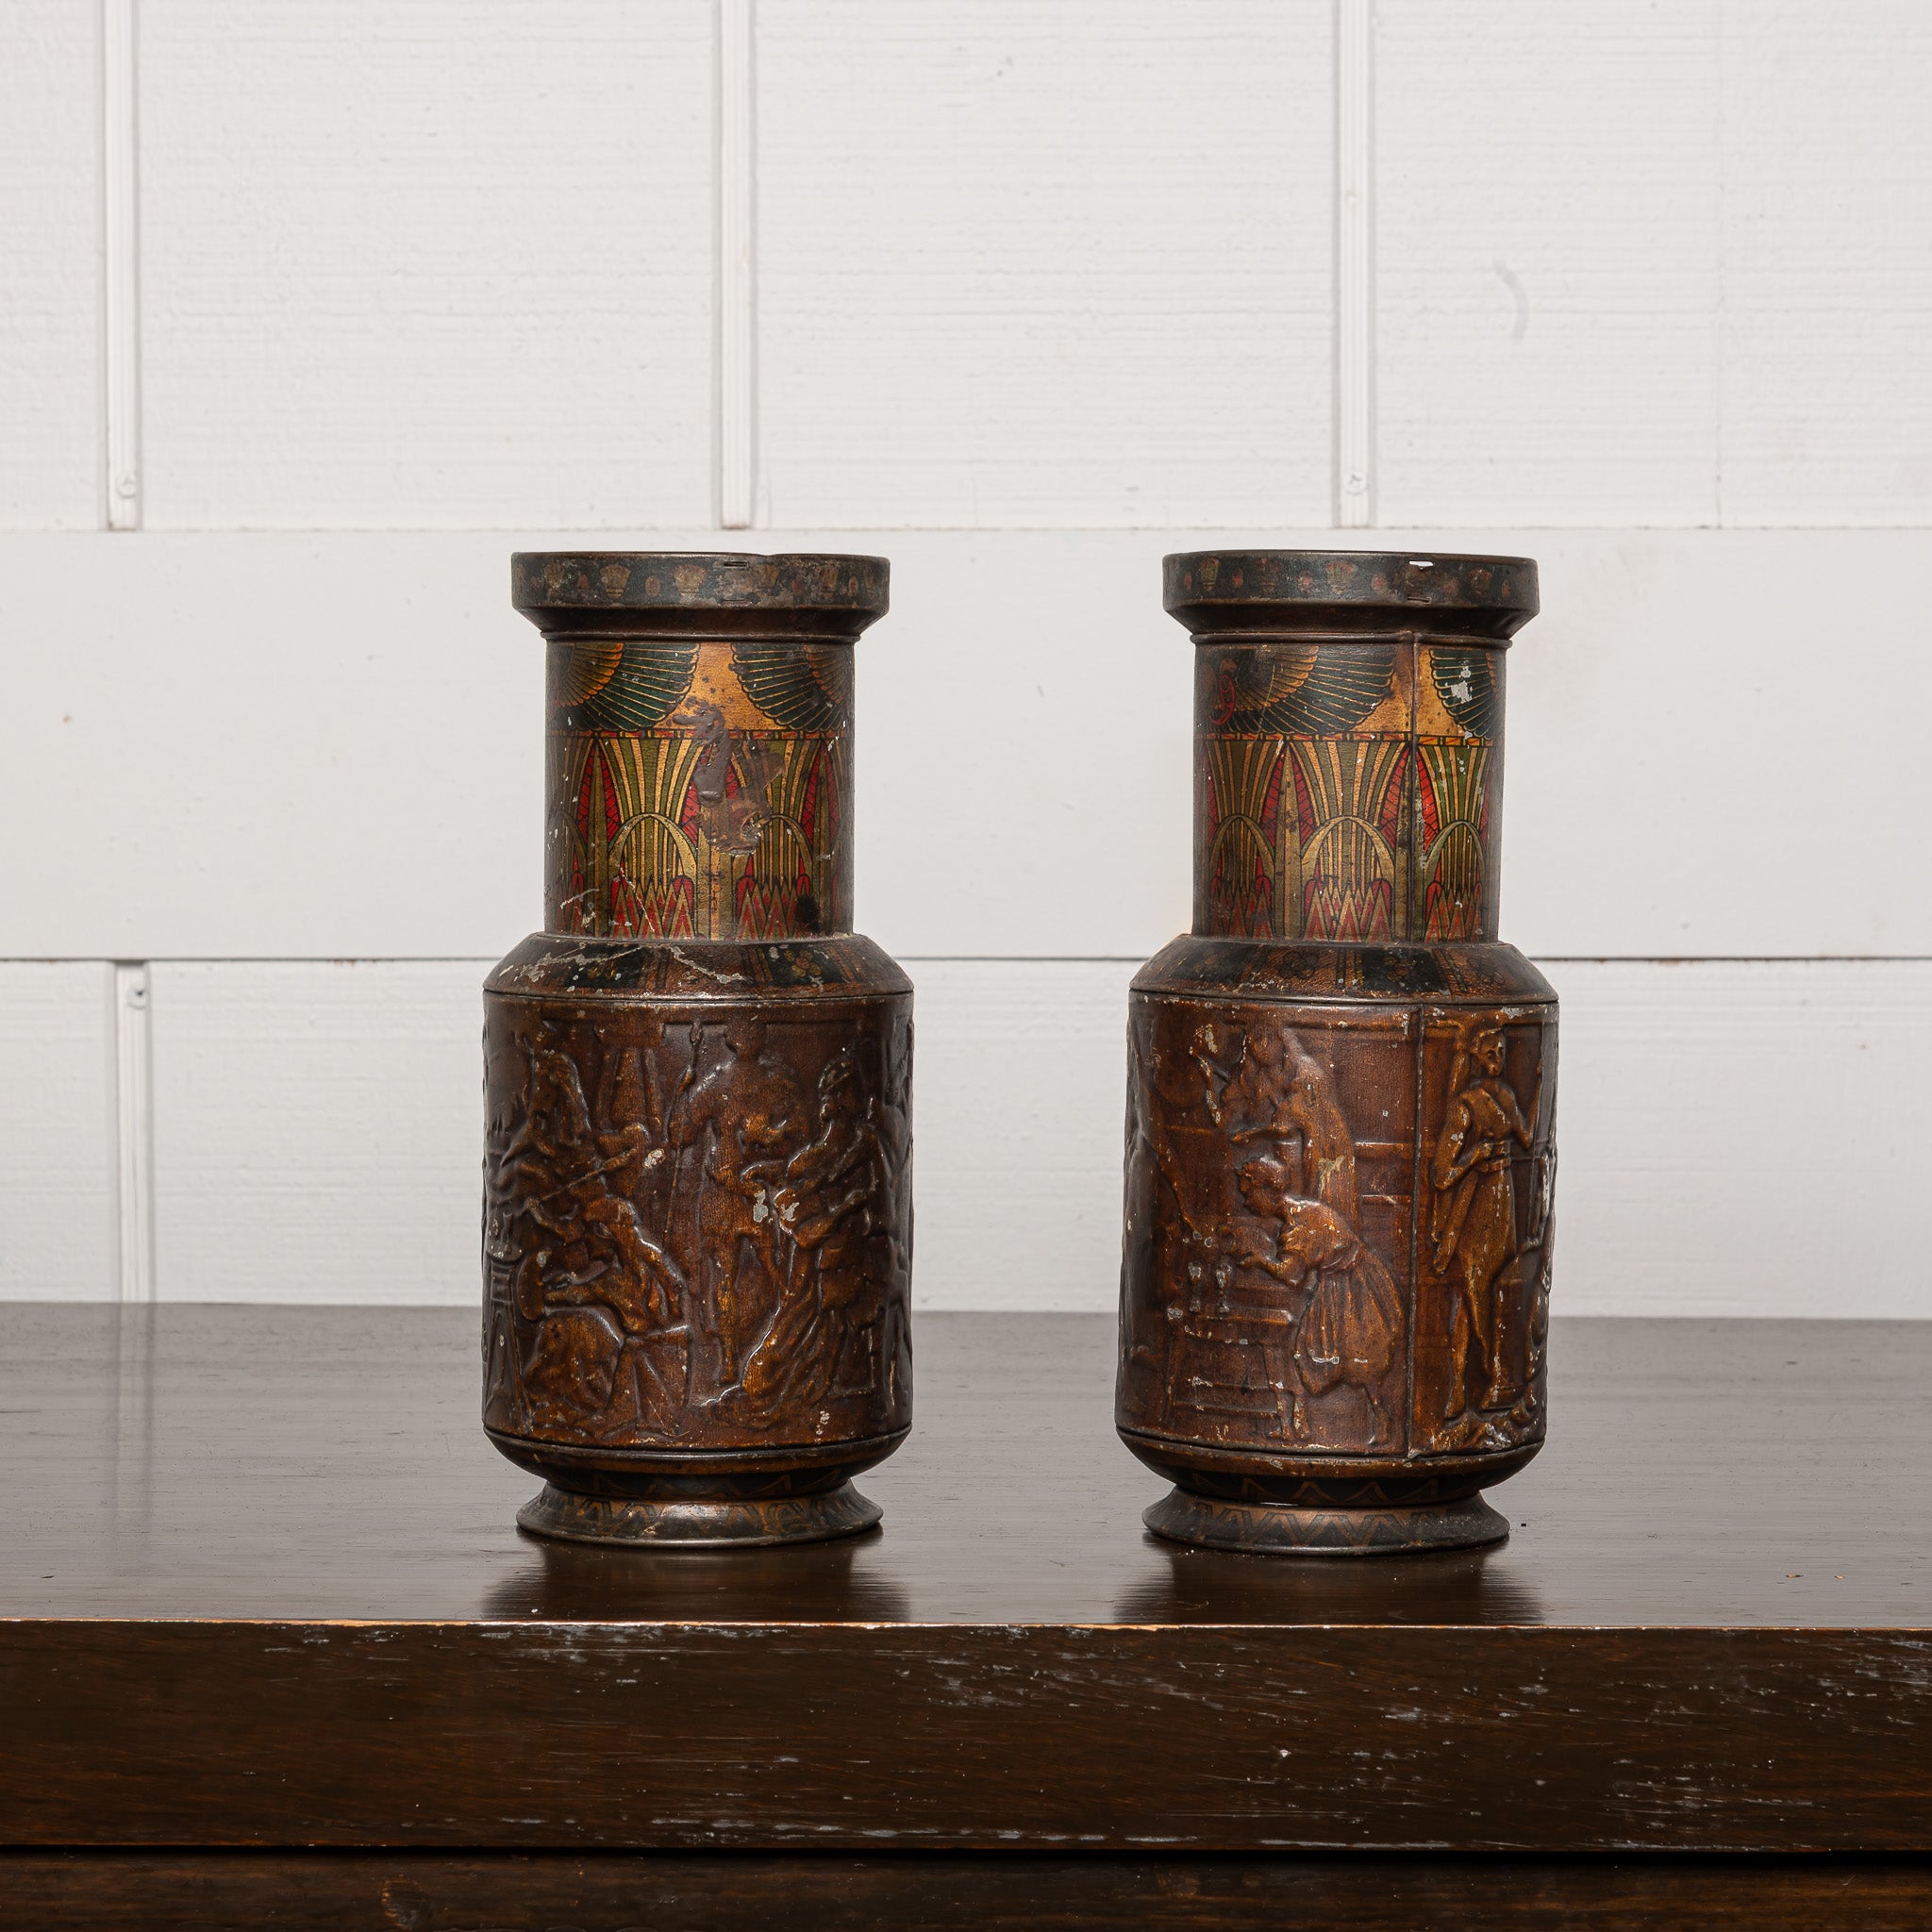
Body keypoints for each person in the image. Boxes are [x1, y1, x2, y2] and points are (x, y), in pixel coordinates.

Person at [1429, 1025, 1534, 1417]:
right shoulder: (1466, 1105)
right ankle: (1485, 1372)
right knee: (1474, 1294)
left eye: (1502, 1052)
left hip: (1504, 1200)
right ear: (1475, 1058)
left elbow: (1527, 1138)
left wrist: (1540, 1084)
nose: (1498, 1060)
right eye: (1490, 1053)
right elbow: (1441, 1174)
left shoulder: (1506, 1095)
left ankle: (1473, 1384)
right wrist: (1475, 1156)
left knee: (1495, 1291)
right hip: (1475, 1205)